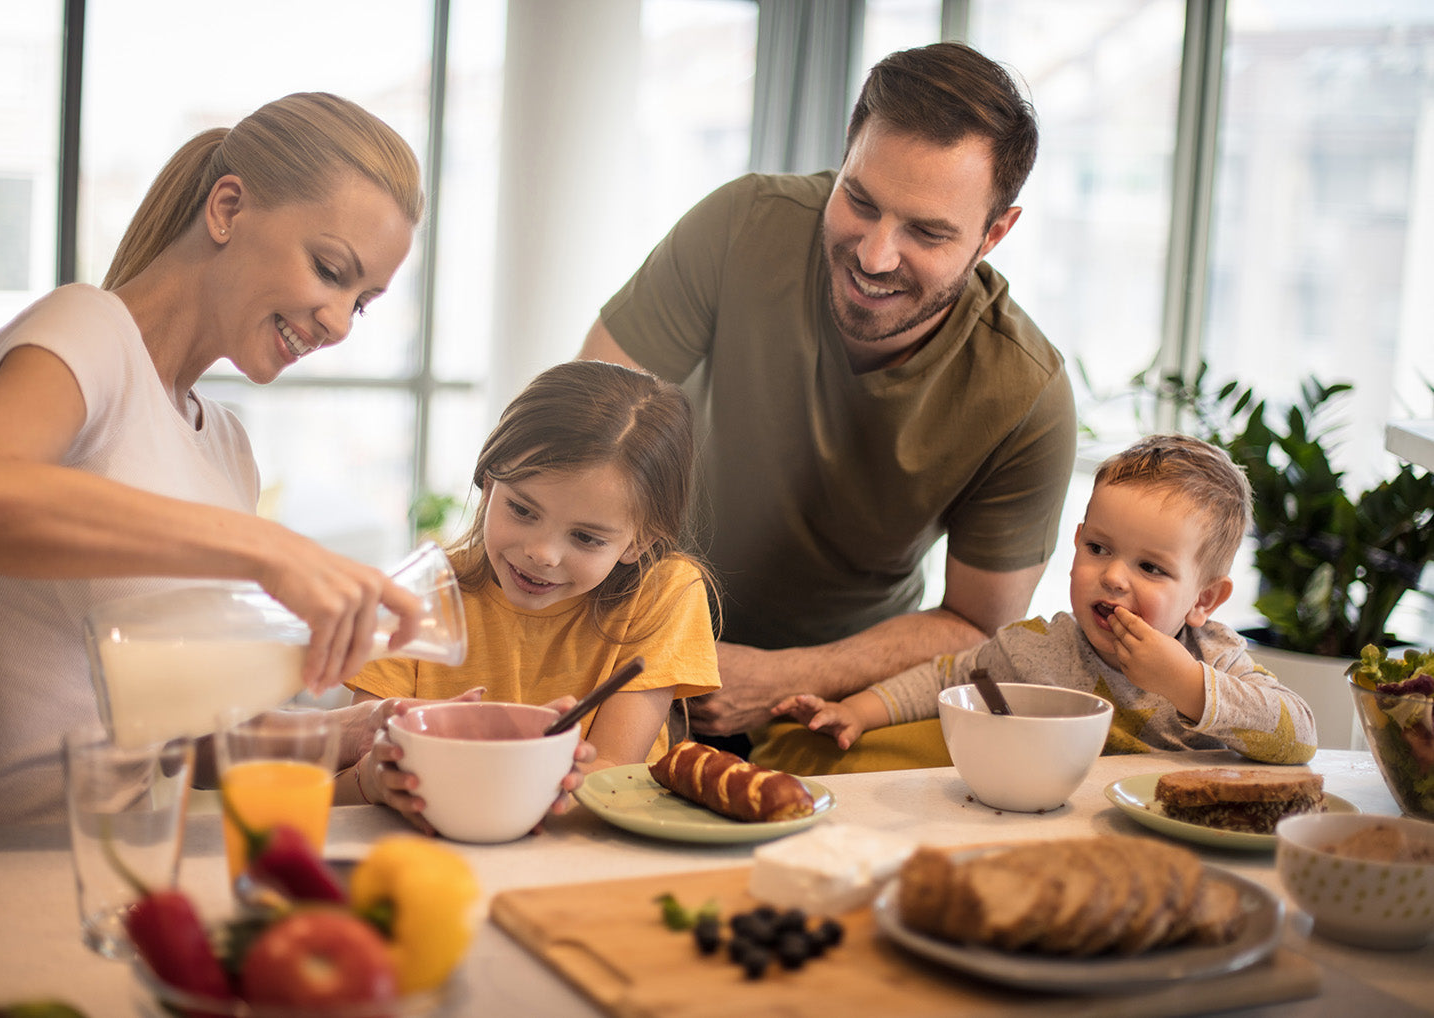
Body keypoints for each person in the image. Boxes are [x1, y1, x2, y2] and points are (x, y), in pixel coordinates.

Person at [0, 93, 589, 829]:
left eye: (361, 302)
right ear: (228, 208)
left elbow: (178, 737)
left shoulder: (225, 447)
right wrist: (267, 550)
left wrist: (356, 733)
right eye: (331, 270)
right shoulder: (87, 329)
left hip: (124, 863)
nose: (337, 323)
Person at [577, 42, 1077, 768]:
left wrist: (785, 677)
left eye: (927, 232)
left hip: (835, 699)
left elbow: (978, 624)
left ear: (994, 233)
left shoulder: (1024, 394)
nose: (874, 256)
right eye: (860, 201)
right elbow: (583, 428)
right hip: (631, 635)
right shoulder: (742, 223)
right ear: (844, 157)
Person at [776, 435, 1319, 764]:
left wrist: (1184, 683)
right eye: (1098, 548)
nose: (1113, 577)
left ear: (1203, 600)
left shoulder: (1212, 658)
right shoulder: (1036, 649)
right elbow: (950, 676)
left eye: (1150, 567)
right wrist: (857, 711)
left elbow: (1299, 735)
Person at [347, 360, 722, 828]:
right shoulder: (416, 596)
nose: (542, 554)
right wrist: (374, 780)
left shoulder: (665, 594)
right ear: (487, 485)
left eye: (586, 538)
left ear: (640, 542)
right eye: (522, 510)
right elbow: (345, 777)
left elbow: (610, 773)